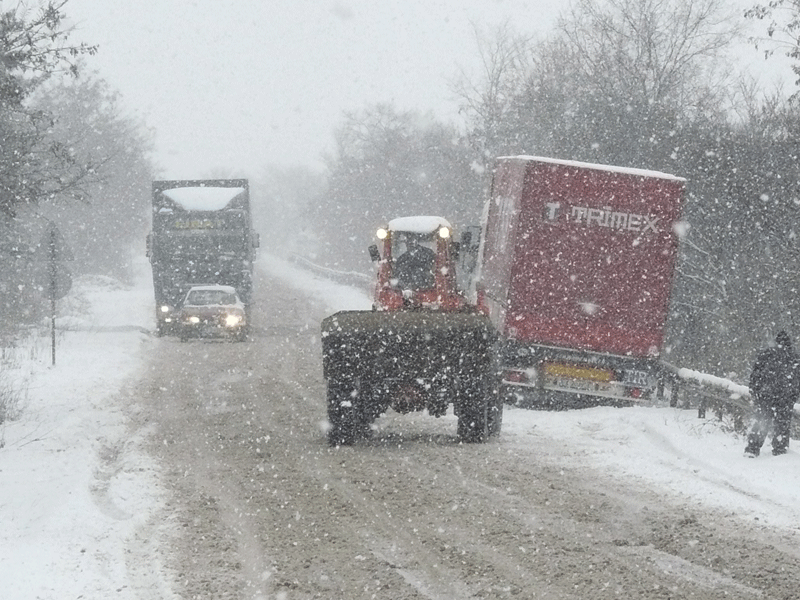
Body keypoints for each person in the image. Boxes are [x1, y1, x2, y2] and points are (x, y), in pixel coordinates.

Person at [745, 330, 800, 457]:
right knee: (782, 424)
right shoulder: (795, 358)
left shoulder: (766, 354)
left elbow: (755, 376)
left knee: (762, 421)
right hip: (785, 397)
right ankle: (780, 450)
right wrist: (794, 396)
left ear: (776, 341)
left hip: (766, 395)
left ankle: (752, 448)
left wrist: (755, 392)